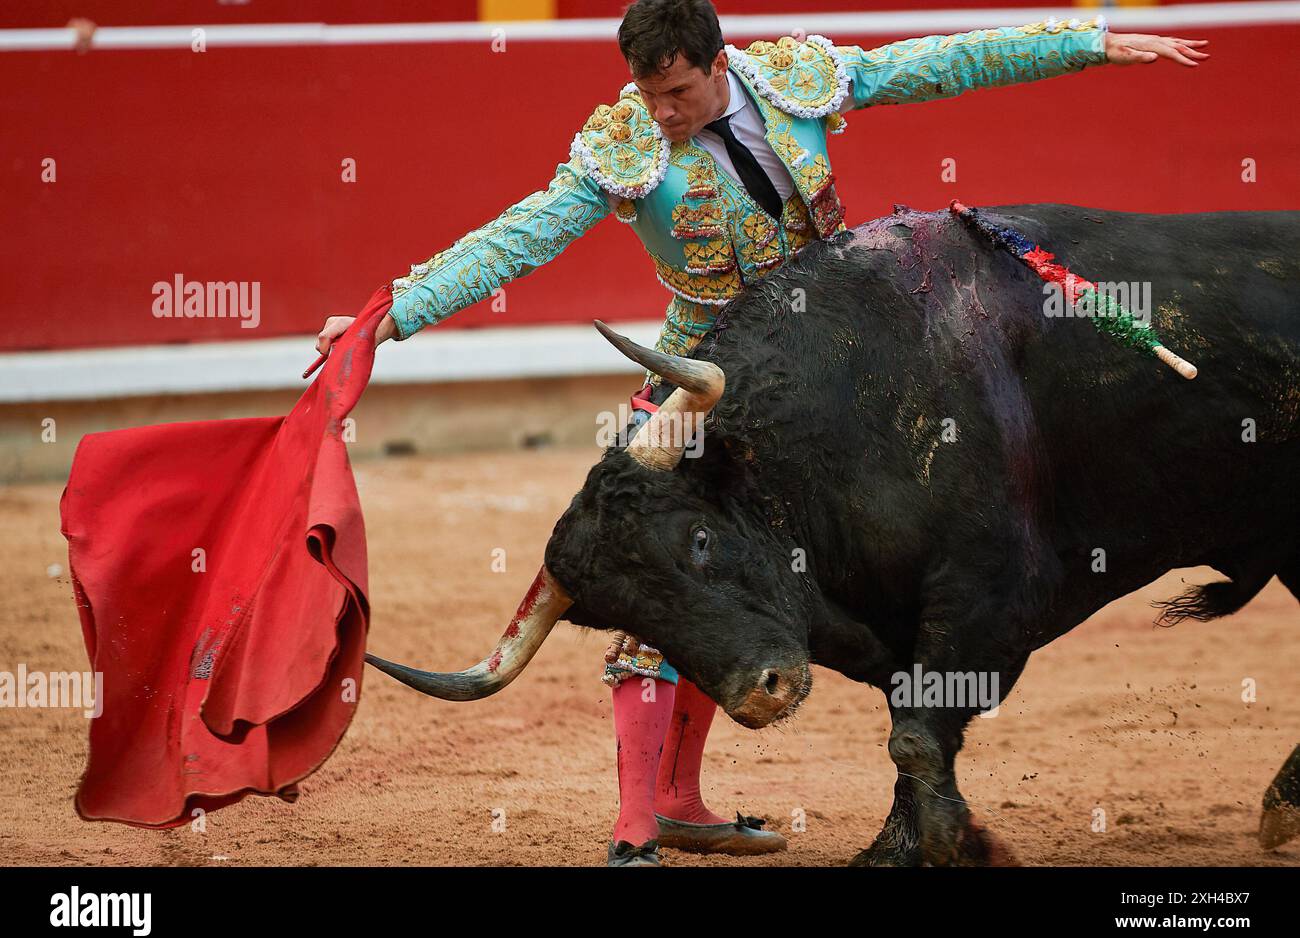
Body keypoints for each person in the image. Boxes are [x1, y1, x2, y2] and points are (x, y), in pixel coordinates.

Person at [316, 0, 1208, 866]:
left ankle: (682, 798)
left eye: (677, 94)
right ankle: (636, 824)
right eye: (646, 93)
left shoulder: (793, 80)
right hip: (699, 387)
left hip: (838, 368)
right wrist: (385, 317)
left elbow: (941, 62)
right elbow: (513, 241)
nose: (660, 114)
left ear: (718, 64)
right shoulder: (621, 146)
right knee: (664, 572)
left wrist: (1087, 40)